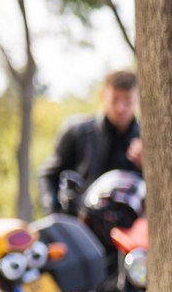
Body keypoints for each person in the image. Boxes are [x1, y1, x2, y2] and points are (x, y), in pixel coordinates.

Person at [39, 68, 142, 215]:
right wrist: (56, 217)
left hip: (133, 231)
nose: (121, 108)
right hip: (81, 226)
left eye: (127, 101)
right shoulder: (75, 131)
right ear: (103, 95)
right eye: (115, 100)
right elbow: (49, 175)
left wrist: (149, 167)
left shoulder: (149, 142)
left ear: (137, 99)